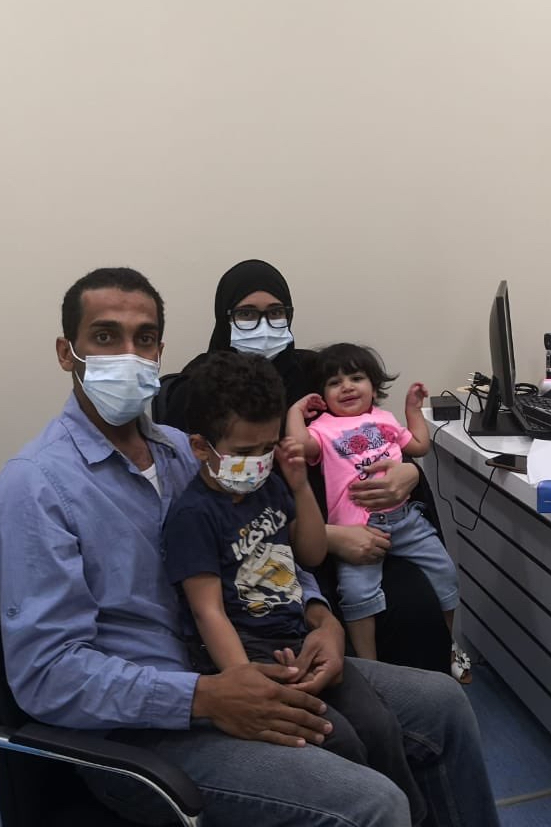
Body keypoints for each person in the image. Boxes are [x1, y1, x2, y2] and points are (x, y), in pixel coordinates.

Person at [0, 266, 499, 827]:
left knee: (444, 706)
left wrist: (321, 617)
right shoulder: (34, 488)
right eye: (105, 336)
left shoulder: (188, 453)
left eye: (145, 338)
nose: (129, 354)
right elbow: (46, 675)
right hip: (149, 729)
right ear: (67, 352)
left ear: (159, 352)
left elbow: (267, 543)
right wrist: (203, 696)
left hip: (264, 658)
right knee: (373, 802)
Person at [163, 350, 425, 820]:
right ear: (201, 447)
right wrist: (245, 682)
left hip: (298, 636)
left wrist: (300, 486)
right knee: (339, 740)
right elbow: (207, 611)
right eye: (244, 453)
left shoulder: (269, 484)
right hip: (252, 651)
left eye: (267, 449)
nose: (257, 462)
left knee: (379, 725)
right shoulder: (193, 515)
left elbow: (311, 554)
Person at [163, 259, 457, 674]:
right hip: (271, 553)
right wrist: (333, 538)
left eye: (276, 313)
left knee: (416, 603)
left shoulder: (315, 374)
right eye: (246, 314)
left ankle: (421, 695)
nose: (263, 325)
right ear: (223, 318)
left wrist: (410, 473)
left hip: (361, 529)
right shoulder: (199, 387)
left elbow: (369, 437)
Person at [287, 343, 469, 681]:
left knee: (445, 573)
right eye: (335, 383)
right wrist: (296, 412)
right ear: (322, 397)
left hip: (406, 520)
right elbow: (297, 446)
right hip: (360, 529)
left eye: (356, 378)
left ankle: (447, 646)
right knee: (358, 595)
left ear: (374, 387)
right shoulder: (322, 429)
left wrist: (412, 410)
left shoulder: (384, 420)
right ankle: (373, 670)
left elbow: (419, 445)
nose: (346, 387)